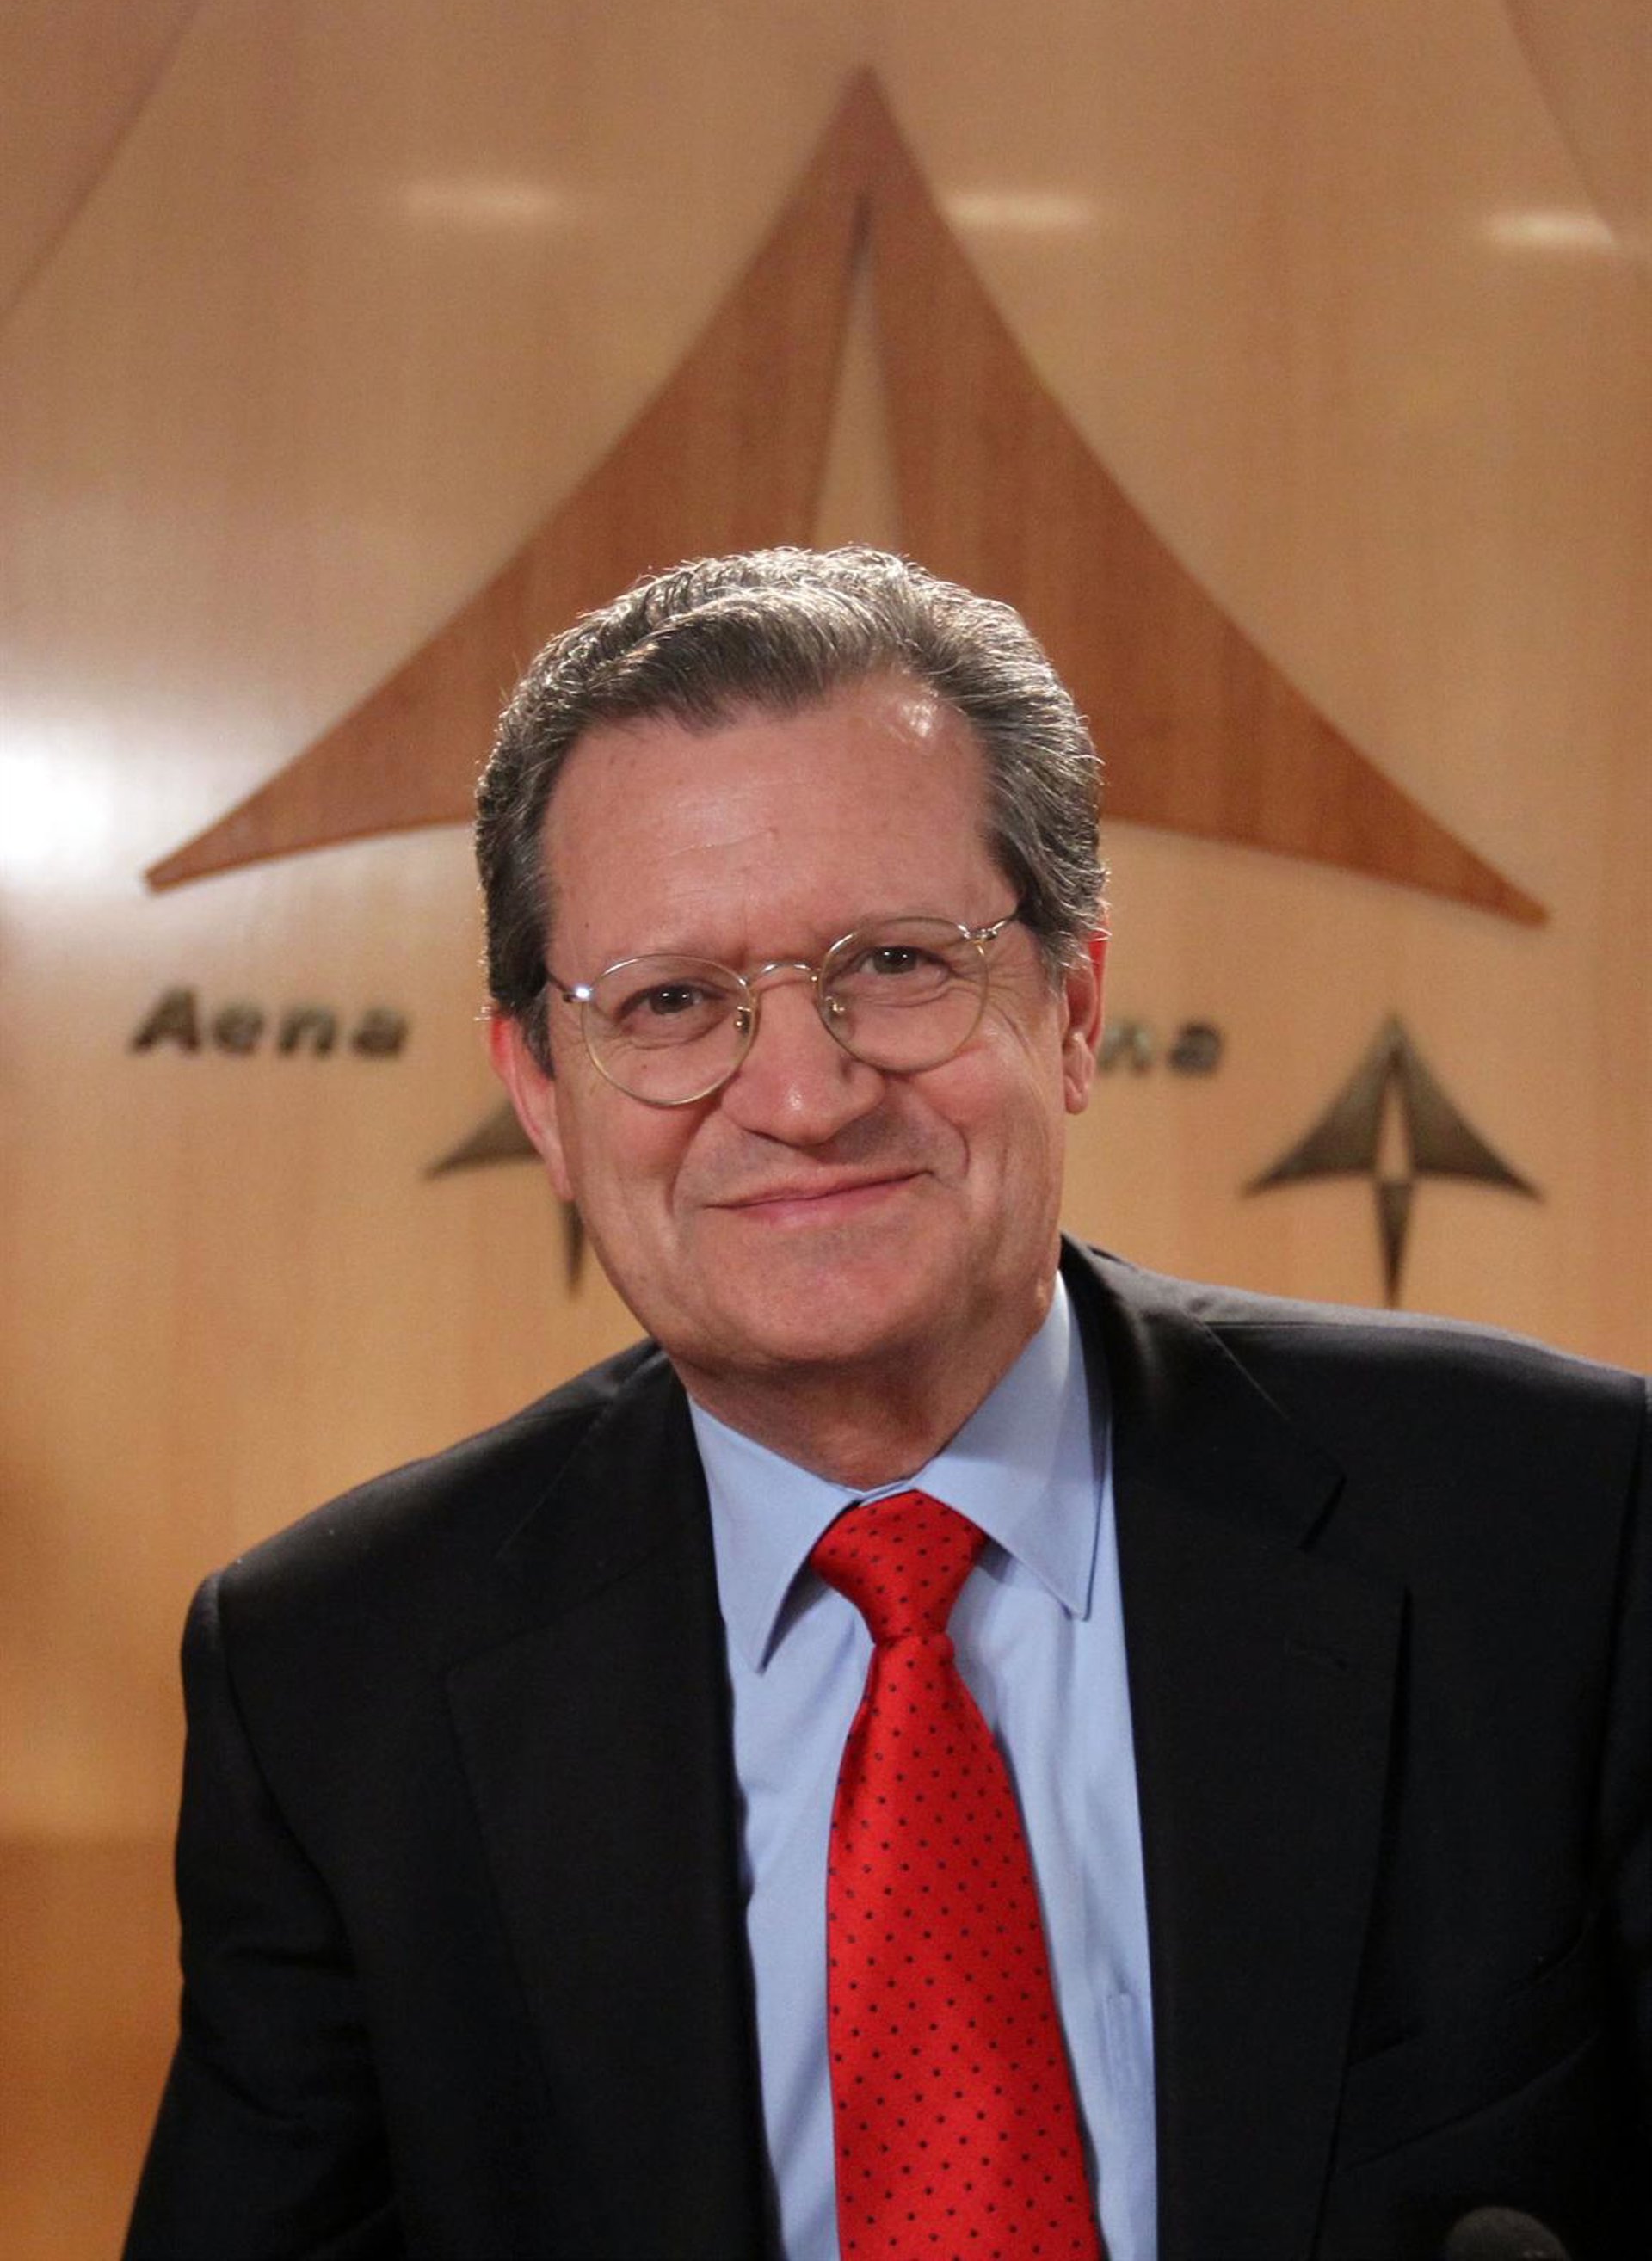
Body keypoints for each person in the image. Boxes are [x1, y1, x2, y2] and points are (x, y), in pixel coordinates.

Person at [127, 547, 1648, 2261]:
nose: (803, 1092)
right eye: (674, 1000)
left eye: (902, 963)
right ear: (542, 1093)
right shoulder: (338, 1681)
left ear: (1072, 1008)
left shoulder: (1563, 1533)